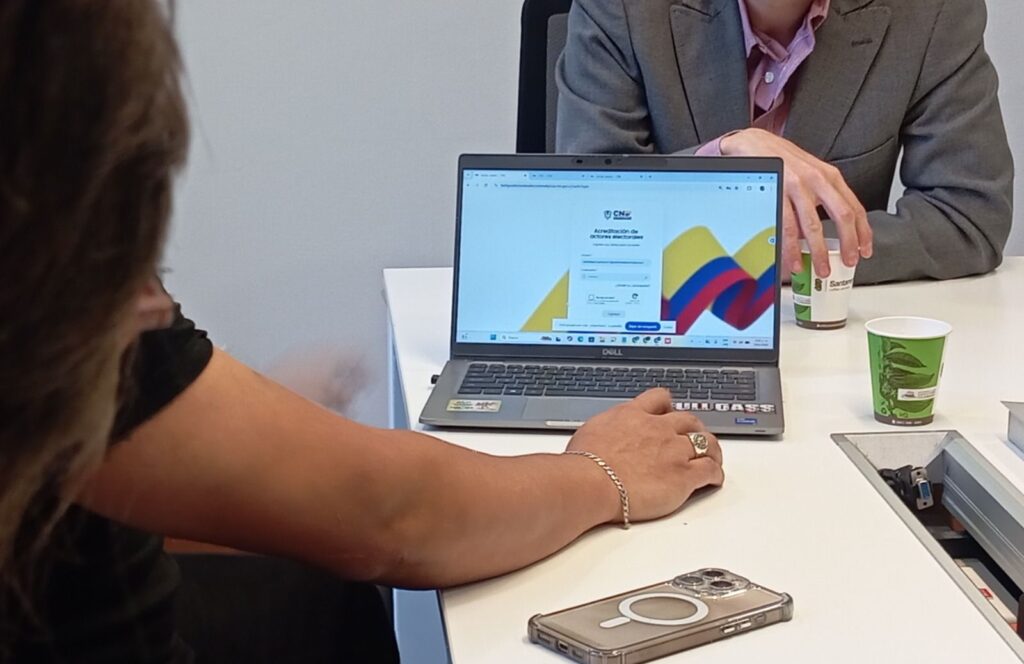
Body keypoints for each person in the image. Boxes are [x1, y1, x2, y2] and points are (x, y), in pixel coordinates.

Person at [0, 2, 725, 661]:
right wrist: (602, 475)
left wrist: (229, 437)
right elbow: (398, 519)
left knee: (326, 601)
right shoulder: (50, 291)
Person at [556, 0, 1014, 284]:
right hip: (658, 320)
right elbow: (586, 204)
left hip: (833, 328)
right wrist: (722, 154)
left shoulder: (934, 13)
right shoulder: (622, 8)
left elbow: (967, 218)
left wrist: (783, 254)